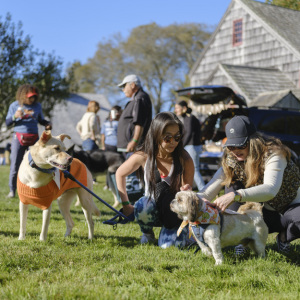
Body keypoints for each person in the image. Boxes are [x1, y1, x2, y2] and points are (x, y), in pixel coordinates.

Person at [183, 115, 300, 254]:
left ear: (253, 141)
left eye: (240, 145)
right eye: (231, 146)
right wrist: (190, 197)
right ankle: (241, 239)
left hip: (287, 209)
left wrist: (235, 195)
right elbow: (209, 190)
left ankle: (284, 237)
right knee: (230, 181)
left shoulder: (274, 154)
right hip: (260, 214)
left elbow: (270, 189)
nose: (235, 150)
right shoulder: (232, 158)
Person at [116, 112, 194, 248]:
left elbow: (187, 193)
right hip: (151, 209)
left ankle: (175, 233)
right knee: (143, 204)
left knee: (168, 247)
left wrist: (186, 189)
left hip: (173, 213)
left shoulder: (184, 158)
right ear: (157, 135)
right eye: (167, 138)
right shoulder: (143, 156)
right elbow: (119, 174)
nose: (173, 142)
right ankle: (147, 233)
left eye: (177, 137)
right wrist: (126, 205)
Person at [5, 84, 52, 198]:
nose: (32, 99)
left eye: (34, 97)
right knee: (15, 165)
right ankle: (12, 191)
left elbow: (40, 120)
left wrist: (47, 124)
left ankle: (35, 189)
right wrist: (15, 116)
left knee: (36, 164)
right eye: (30, 97)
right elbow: (7, 123)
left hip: (34, 138)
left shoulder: (37, 106)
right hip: (19, 138)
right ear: (23, 95)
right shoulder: (14, 105)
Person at [117, 74, 152, 156]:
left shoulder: (140, 98)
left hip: (134, 148)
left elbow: (139, 122)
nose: (123, 90)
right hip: (129, 148)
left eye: (124, 86)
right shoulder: (136, 99)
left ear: (132, 85)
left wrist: (134, 141)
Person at [174, 100, 205, 191]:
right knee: (190, 169)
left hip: (191, 146)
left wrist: (180, 145)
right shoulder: (186, 118)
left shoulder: (189, 118)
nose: (176, 110)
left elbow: (188, 133)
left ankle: (204, 190)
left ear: (184, 108)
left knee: (194, 169)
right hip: (191, 146)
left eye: (177, 108)